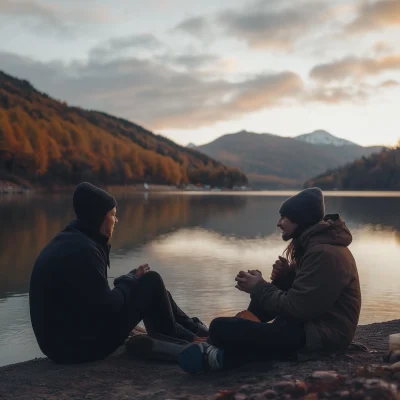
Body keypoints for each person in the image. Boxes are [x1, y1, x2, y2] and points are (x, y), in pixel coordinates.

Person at [178, 187, 361, 374]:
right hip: (310, 326)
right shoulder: (315, 247)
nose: (279, 223)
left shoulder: (324, 254)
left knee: (219, 327)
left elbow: (299, 307)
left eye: (284, 217)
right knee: (229, 326)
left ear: (300, 220)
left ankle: (222, 357)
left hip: (322, 337)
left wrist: (258, 287)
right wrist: (288, 276)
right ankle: (233, 340)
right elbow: (308, 295)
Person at [29, 182, 207, 364]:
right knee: (151, 281)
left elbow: (93, 302)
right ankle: (184, 342)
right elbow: (108, 308)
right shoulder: (85, 251)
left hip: (61, 344)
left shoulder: (72, 240)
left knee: (149, 286)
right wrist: (129, 281)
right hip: (79, 349)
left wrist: (130, 281)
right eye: (113, 215)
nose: (116, 220)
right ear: (99, 218)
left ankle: (196, 332)